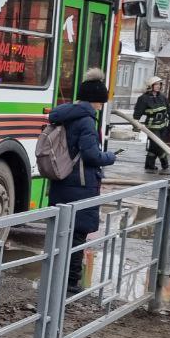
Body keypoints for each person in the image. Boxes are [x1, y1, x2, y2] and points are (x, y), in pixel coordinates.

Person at [48, 69, 118, 295]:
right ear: (96, 100)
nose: (101, 107)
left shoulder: (65, 115)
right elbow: (91, 156)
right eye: (100, 102)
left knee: (61, 234)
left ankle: (55, 279)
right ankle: (69, 283)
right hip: (80, 184)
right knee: (77, 235)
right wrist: (110, 157)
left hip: (61, 180)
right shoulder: (86, 121)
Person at [133, 76, 170, 171]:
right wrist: (135, 126)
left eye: (160, 84)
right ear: (151, 86)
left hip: (163, 125)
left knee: (155, 145)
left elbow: (169, 110)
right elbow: (137, 113)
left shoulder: (162, 97)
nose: (158, 86)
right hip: (152, 125)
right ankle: (165, 163)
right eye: (156, 84)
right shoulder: (143, 98)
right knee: (157, 144)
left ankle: (149, 165)